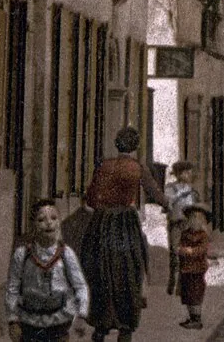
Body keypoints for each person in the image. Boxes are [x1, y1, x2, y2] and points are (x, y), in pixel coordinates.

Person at [79, 126, 162, 342]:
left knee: (100, 271)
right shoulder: (137, 168)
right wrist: (170, 206)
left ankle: (101, 325)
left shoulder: (104, 165)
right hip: (125, 223)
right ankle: (125, 327)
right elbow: (155, 194)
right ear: (135, 146)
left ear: (117, 144)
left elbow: (90, 198)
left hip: (101, 224)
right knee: (130, 271)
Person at [6, 198, 90, 342]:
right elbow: (12, 288)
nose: (49, 223)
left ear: (59, 222)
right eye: (41, 220)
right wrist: (13, 321)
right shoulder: (23, 255)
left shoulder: (66, 254)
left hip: (59, 322)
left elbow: (80, 285)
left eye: (53, 218)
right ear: (33, 225)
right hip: (29, 322)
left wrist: (82, 315)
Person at [161, 162, 196, 298]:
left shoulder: (190, 189)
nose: (190, 175)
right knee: (175, 254)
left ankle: (184, 287)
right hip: (176, 223)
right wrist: (183, 192)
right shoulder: (170, 188)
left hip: (187, 223)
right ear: (180, 174)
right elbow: (168, 202)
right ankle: (173, 285)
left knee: (187, 254)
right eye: (187, 172)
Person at [174, 206, 211, 329]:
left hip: (197, 269)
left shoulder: (203, 235)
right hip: (185, 269)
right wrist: (181, 250)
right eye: (191, 218)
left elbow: (202, 250)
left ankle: (197, 319)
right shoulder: (185, 234)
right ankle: (191, 317)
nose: (193, 220)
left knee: (196, 293)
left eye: (196, 218)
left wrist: (189, 251)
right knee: (187, 294)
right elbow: (180, 246)